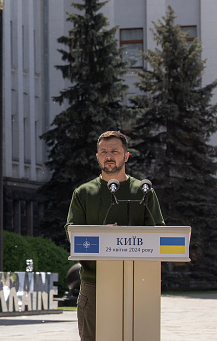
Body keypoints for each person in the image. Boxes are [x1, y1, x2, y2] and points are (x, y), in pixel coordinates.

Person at [64, 131, 165, 341]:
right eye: (104, 152)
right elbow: (73, 232)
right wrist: (102, 236)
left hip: (137, 286)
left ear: (126, 156)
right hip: (94, 284)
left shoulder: (144, 192)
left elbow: (159, 233)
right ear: (97, 157)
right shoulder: (83, 193)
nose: (109, 156)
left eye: (115, 151)